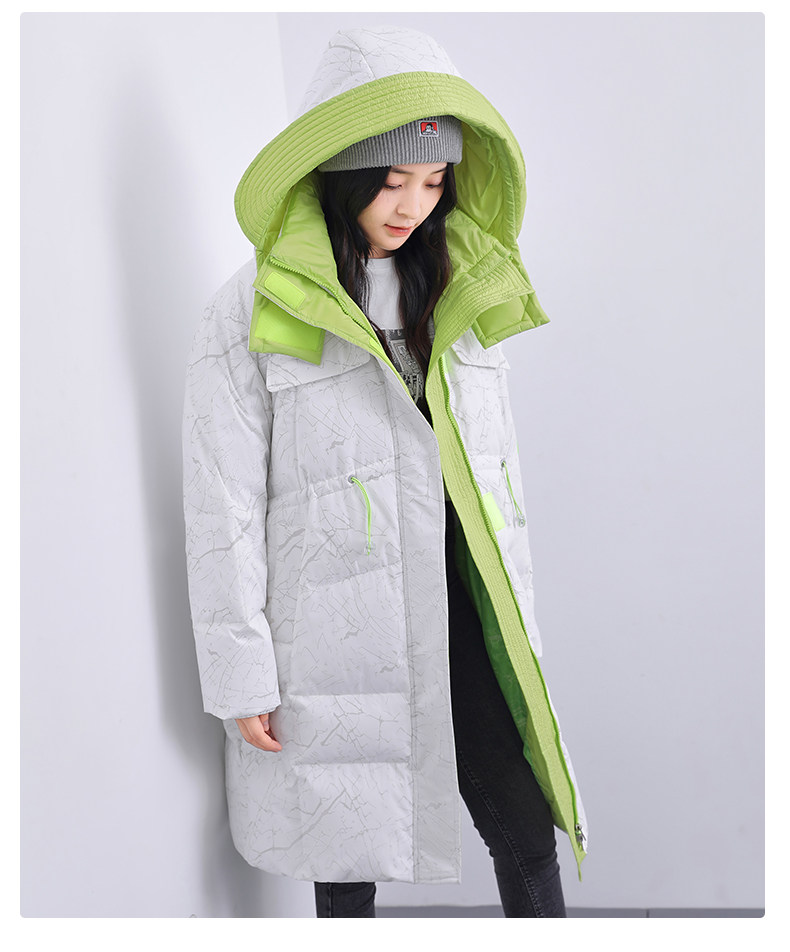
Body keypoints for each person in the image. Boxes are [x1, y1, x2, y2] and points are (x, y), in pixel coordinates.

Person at [182, 25, 587, 918]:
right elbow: (222, 503)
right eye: (393, 179)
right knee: (343, 846)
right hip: (333, 624)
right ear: (343, 172)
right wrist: (241, 672)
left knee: (524, 825)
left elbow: (498, 477)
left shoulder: (461, 286)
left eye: (434, 181)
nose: (412, 205)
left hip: (460, 600)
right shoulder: (253, 308)